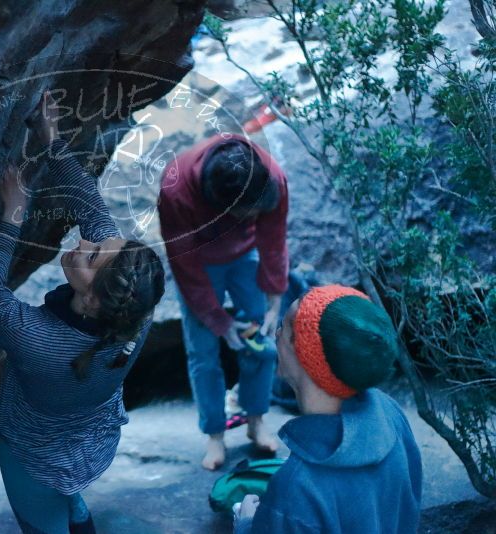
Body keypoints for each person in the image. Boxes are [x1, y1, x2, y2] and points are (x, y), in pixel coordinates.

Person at [0, 91, 165, 534]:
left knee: (43, 522)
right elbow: (90, 205)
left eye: (92, 256)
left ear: (94, 299)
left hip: (34, 456)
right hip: (90, 440)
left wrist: (13, 216)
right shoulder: (136, 311)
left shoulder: (36, 339)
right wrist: (51, 140)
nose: (85, 242)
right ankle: (78, 513)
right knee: (70, 494)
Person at [234, 285, 423, 534]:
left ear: (305, 359)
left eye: (285, 327)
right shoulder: (390, 412)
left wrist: (248, 525)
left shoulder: (295, 492)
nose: (276, 334)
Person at [158, 134, 288, 469]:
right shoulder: (176, 189)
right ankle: (215, 436)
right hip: (199, 263)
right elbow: (183, 262)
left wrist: (275, 298)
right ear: (221, 208)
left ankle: (257, 420)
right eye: (248, 212)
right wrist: (219, 319)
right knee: (203, 352)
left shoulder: (270, 174)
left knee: (259, 340)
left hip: (246, 258)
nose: (254, 215)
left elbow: (273, 237)